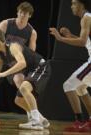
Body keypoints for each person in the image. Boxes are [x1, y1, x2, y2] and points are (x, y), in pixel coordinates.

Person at [0, 29, 50, 130]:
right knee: (19, 100)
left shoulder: (13, 46)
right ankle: (41, 119)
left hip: (40, 67)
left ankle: (36, 122)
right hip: (31, 71)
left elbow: (22, 63)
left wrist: (4, 73)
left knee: (24, 89)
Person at [50, 0, 91, 132]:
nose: (72, 6)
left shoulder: (86, 18)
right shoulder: (87, 17)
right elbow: (86, 42)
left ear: (81, 4)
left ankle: (80, 121)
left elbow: (82, 41)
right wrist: (70, 35)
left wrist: (61, 39)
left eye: (74, 3)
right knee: (80, 88)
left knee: (68, 85)